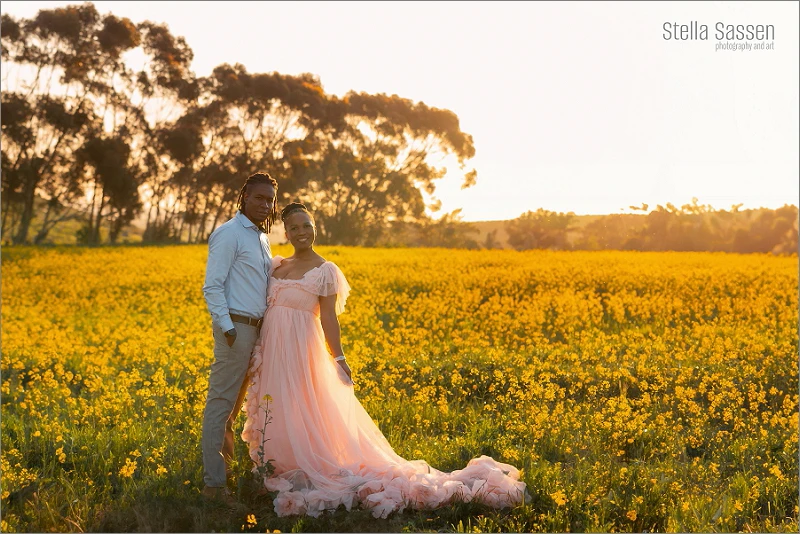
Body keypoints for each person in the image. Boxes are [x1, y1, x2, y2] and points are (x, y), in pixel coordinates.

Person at [242, 202, 528, 519]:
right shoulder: (277, 265)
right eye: (294, 227)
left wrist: (339, 357)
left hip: (300, 350)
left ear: (315, 228)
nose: (301, 232)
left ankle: (308, 463)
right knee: (278, 404)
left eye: (306, 225)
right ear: (285, 232)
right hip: (272, 350)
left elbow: (329, 319)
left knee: (304, 405)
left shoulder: (325, 270)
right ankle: (279, 463)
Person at [201, 172, 278, 505]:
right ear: (244, 197)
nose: (265, 205)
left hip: (256, 330)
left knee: (232, 410)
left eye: (270, 200)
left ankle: (226, 475)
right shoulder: (229, 233)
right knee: (220, 406)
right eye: (259, 198)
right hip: (236, 328)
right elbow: (212, 285)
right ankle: (214, 487)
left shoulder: (260, 237)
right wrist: (228, 328)